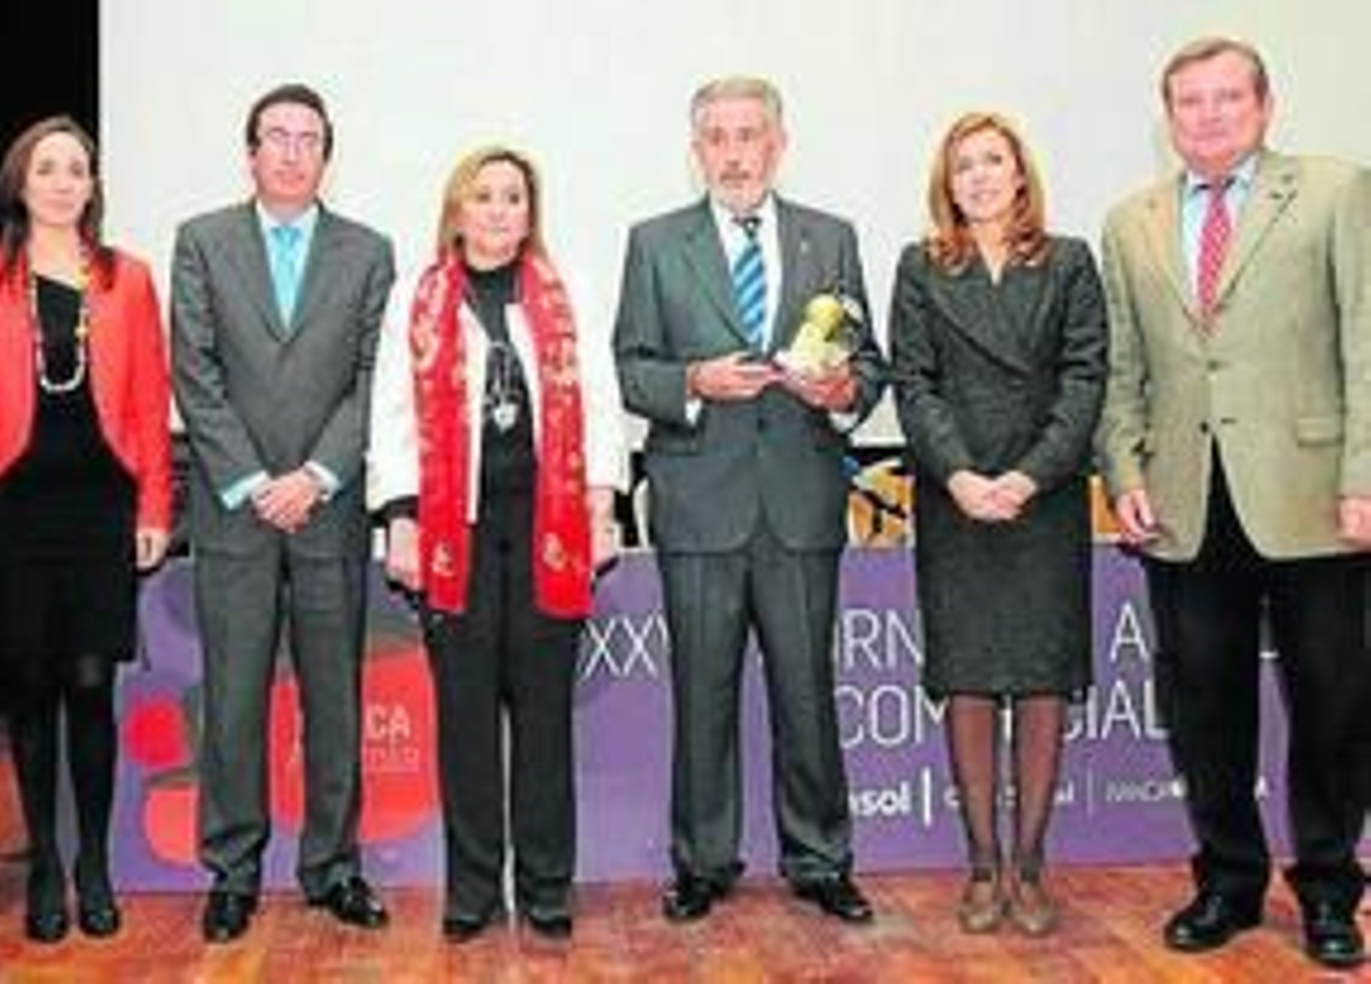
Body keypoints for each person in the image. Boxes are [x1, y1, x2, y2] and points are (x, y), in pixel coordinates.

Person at [1096, 36, 1370, 970]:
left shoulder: (1335, 192)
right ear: (1167, 116)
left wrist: (1364, 477)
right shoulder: (1130, 222)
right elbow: (1124, 366)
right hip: (1182, 504)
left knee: (1333, 704)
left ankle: (1331, 888)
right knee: (1205, 706)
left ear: (1264, 106)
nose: (1207, 116)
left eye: (1225, 99)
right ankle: (1228, 881)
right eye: (1189, 102)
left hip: (1313, 500)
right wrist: (1126, 476)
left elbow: (1367, 343)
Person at [612, 76, 886, 924]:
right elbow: (631, 365)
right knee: (703, 690)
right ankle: (702, 861)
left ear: (778, 143)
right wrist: (693, 380)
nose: (734, 153)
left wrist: (841, 391)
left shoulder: (829, 239)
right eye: (718, 138)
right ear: (697, 152)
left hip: (801, 501)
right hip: (698, 503)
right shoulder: (655, 243)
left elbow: (869, 363)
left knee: (808, 688)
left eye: (749, 135)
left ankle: (821, 858)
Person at [368, 147, 625, 943]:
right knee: (468, 718)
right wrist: (400, 519)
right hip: (456, 535)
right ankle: (474, 887)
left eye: (514, 197)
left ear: (529, 211)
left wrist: (601, 506)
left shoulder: (565, 291)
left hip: (549, 530)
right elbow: (392, 414)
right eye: (484, 196)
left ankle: (547, 885)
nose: (500, 210)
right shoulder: (419, 296)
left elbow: (602, 406)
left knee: (545, 717)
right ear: (458, 208)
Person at [0, 115, 173, 943]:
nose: (65, 182)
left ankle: (94, 864)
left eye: (79, 169)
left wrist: (153, 509)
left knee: (89, 685)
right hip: (13, 509)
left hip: (102, 508)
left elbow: (148, 399)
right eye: (49, 168)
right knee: (31, 688)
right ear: (20, 182)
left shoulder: (129, 280)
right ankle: (42, 860)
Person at [171, 83, 394, 943]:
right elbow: (194, 369)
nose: (293, 152)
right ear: (251, 153)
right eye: (277, 137)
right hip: (235, 513)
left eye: (309, 139)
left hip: (329, 511)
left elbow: (374, 379)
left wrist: (318, 474)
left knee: (335, 699)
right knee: (232, 702)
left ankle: (333, 867)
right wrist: (254, 480)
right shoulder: (203, 242)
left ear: (326, 155)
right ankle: (231, 872)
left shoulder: (369, 252)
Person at [890, 112, 1106, 937]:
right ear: (947, 185)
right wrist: (961, 476)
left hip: (1042, 501)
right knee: (970, 680)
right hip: (957, 502)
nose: (978, 177)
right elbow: (913, 383)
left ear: (1021, 175)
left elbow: (1086, 379)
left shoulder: (1069, 262)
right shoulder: (921, 268)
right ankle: (982, 866)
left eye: (993, 161)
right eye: (962, 166)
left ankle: (1032, 865)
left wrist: (1026, 475)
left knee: (1044, 682)